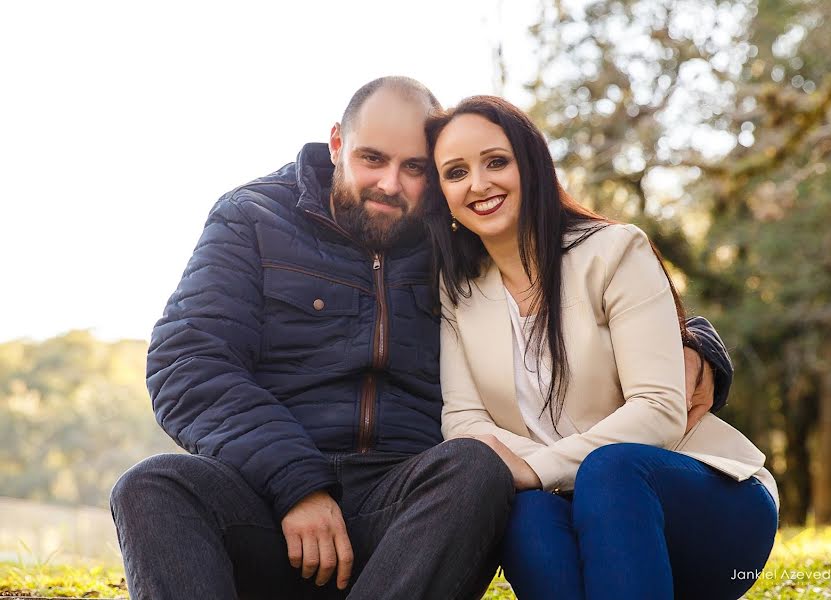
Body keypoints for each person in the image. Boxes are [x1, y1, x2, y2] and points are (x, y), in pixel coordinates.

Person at [109, 76, 732, 600]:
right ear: (336, 144)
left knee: (477, 466)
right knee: (151, 486)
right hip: (269, 497)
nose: (391, 185)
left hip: (408, 511)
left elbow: (561, 269)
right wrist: (296, 483)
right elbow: (186, 361)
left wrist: (699, 347)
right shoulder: (251, 218)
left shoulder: (452, 234)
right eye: (371, 159)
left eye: (415, 169)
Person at [426, 95, 778, 600]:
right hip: (564, 513)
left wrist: (539, 468)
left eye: (496, 161)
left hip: (704, 512)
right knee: (523, 511)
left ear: (532, 166)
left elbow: (658, 409)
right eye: (456, 172)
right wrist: (543, 479)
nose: (478, 184)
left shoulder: (613, 252)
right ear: (442, 194)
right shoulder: (457, 291)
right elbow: (463, 422)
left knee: (610, 470)